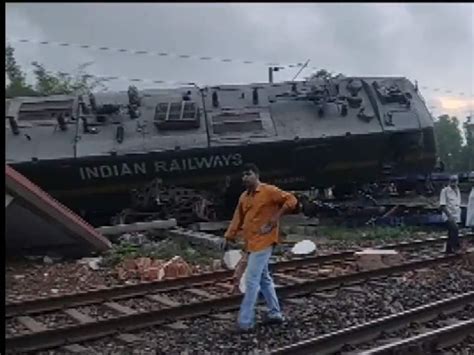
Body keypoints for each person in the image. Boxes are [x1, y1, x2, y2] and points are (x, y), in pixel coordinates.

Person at [224, 163, 298, 332]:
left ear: (256, 174)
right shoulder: (244, 197)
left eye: (248, 174)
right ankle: (275, 313)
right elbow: (238, 217)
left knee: (251, 280)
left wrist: (275, 219)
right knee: (264, 279)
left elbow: (291, 200)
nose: (245, 178)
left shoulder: (269, 191)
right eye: (243, 175)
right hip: (251, 243)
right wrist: (229, 236)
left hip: (264, 241)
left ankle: (245, 322)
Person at [439, 175, 462, 253]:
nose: (454, 183)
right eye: (452, 181)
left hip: (456, 215)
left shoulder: (458, 190)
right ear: (449, 182)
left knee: (451, 232)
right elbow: (442, 205)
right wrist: (449, 216)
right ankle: (456, 247)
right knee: (455, 229)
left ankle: (448, 249)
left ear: (457, 182)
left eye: (455, 181)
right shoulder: (444, 191)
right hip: (448, 216)